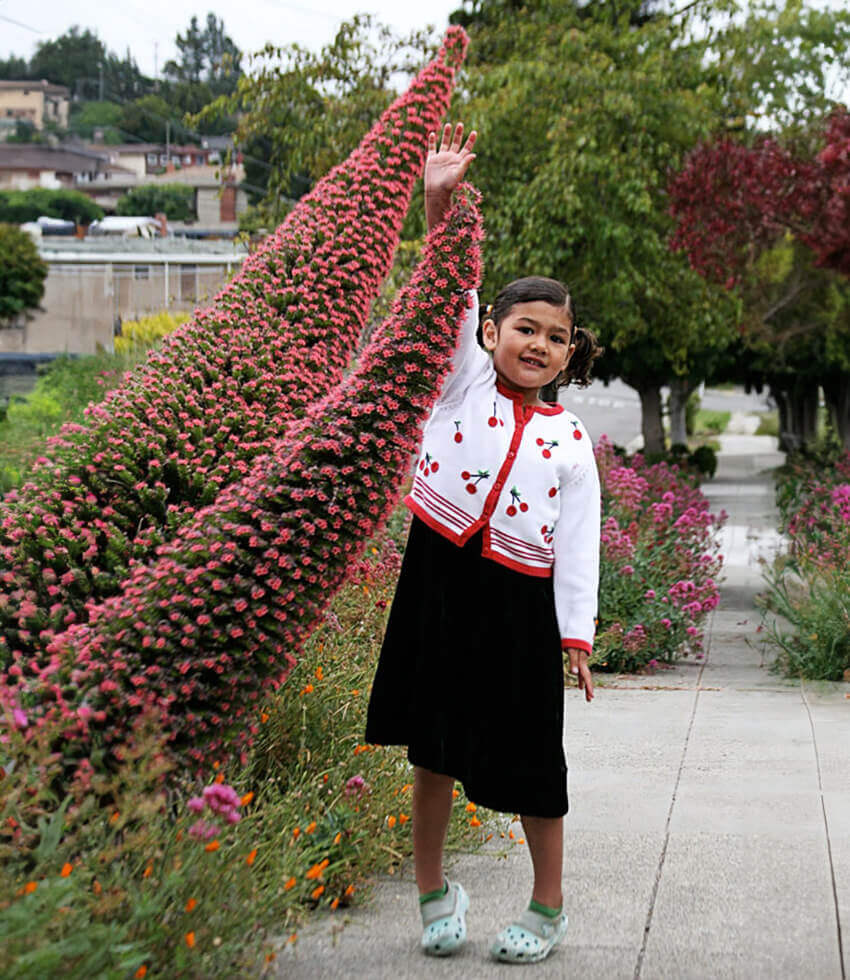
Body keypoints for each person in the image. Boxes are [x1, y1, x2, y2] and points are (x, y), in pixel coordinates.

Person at [365, 123, 603, 965]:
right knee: (432, 746)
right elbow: (445, 299)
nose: (536, 344)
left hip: (520, 603)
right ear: (492, 330)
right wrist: (440, 210)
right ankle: (434, 891)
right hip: (438, 579)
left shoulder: (572, 442)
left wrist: (577, 635)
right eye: (522, 327)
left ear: (571, 351)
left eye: (555, 335)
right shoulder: (457, 383)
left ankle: (548, 904)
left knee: (534, 757)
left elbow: (579, 547)